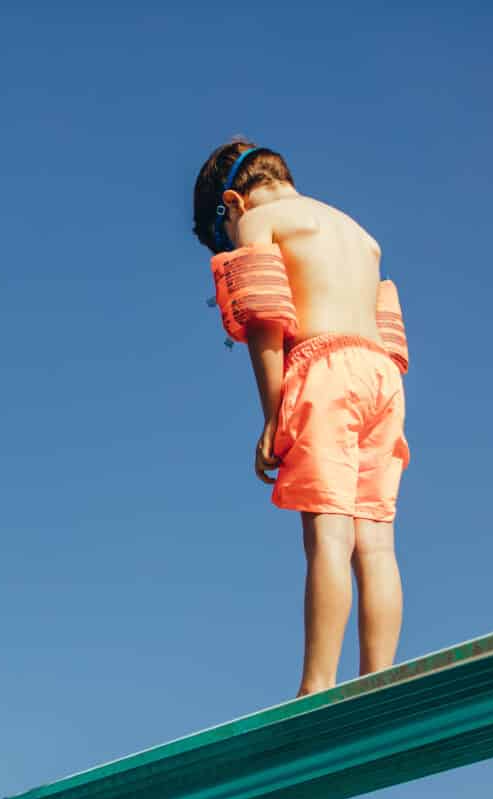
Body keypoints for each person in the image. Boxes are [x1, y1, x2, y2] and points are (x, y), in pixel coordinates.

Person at [193, 140, 410, 697]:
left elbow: (264, 314)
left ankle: (318, 685)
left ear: (234, 202)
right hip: (382, 377)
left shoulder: (260, 220)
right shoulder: (360, 235)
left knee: (328, 539)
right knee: (378, 544)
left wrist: (274, 414)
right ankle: (380, 678)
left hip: (325, 371)